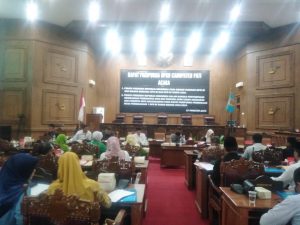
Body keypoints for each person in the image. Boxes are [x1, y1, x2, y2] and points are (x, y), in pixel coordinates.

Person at [0, 153, 38, 225]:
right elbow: (20, 218)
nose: (34, 171)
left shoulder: (3, 177)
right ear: (23, 171)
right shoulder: (22, 190)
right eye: (31, 169)